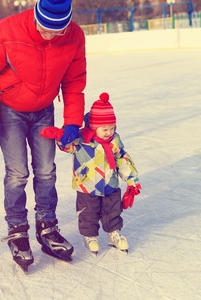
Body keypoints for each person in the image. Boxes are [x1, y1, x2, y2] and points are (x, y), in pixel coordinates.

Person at [0, 0, 87, 270]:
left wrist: (72, 122)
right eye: (44, 29)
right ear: (36, 16)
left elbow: (74, 81)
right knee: (18, 173)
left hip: (44, 109)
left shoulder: (74, 37)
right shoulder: (9, 30)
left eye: (56, 32)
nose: (49, 36)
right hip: (9, 110)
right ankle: (17, 229)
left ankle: (47, 227)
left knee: (46, 170)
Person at [40, 92, 141, 255]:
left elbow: (123, 160)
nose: (109, 132)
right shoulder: (82, 140)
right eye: (104, 129)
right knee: (88, 213)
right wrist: (61, 137)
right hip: (87, 185)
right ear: (94, 127)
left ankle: (113, 234)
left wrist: (131, 180)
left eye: (111, 128)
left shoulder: (114, 143)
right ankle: (90, 236)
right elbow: (68, 147)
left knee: (113, 211)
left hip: (110, 185)